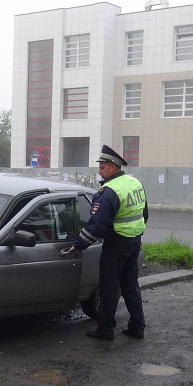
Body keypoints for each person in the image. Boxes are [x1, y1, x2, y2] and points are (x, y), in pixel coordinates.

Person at [69, 145, 148, 340]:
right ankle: (137, 326)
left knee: (109, 287)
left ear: (113, 167)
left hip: (116, 244)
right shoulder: (134, 182)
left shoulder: (109, 191)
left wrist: (78, 245)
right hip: (133, 242)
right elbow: (143, 214)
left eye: (102, 167)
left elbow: (97, 225)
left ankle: (105, 329)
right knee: (130, 285)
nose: (99, 171)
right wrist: (136, 238)